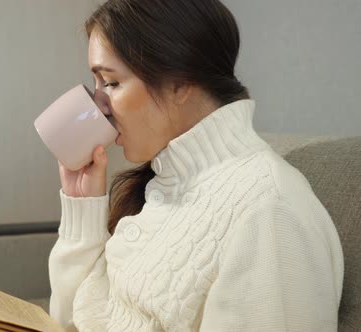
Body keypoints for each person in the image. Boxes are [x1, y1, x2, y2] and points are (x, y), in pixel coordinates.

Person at [47, 0, 344, 331]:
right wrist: (82, 211)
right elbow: (70, 322)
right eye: (97, 82)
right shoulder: (166, 185)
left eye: (112, 83)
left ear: (180, 83)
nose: (99, 104)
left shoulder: (270, 211)